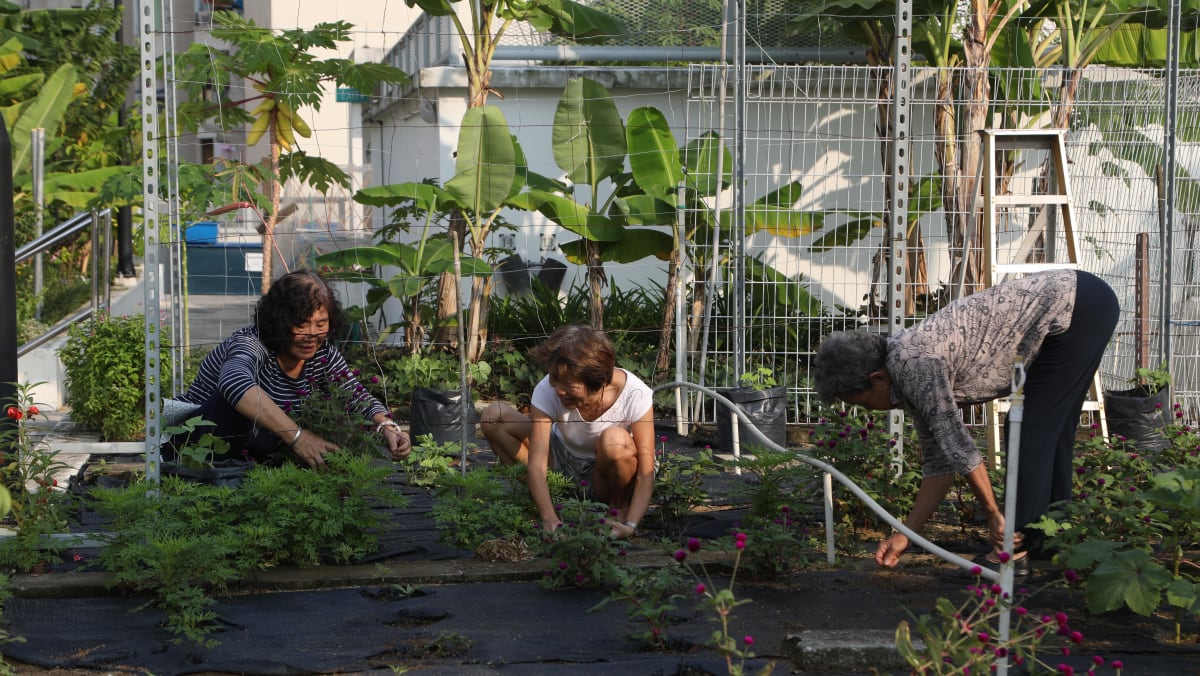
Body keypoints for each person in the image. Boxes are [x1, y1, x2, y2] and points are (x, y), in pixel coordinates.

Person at [813, 269, 1119, 574]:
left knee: (1028, 428)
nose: (871, 411)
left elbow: (959, 446)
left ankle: (1014, 549)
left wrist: (992, 513)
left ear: (877, 378)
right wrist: (905, 535)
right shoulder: (904, 372)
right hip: (1081, 302)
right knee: (1049, 430)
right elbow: (940, 462)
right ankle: (1048, 537)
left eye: (865, 403)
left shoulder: (914, 365)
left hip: (1078, 307)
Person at [171, 270, 411, 468]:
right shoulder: (251, 344)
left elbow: (355, 394)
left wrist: (387, 427)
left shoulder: (322, 353)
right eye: (301, 324)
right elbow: (233, 383)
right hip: (196, 446)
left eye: (321, 323)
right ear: (278, 321)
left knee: (331, 412)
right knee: (237, 402)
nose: (311, 334)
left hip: (255, 452)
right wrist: (298, 437)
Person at [481, 325, 656, 539]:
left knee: (615, 441)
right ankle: (548, 502)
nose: (559, 390)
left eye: (570, 386)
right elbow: (537, 461)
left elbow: (647, 467)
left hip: (606, 474)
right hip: (560, 461)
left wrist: (632, 524)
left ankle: (618, 511)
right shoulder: (549, 389)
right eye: (556, 381)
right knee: (494, 416)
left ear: (599, 382)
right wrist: (549, 519)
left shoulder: (634, 393)